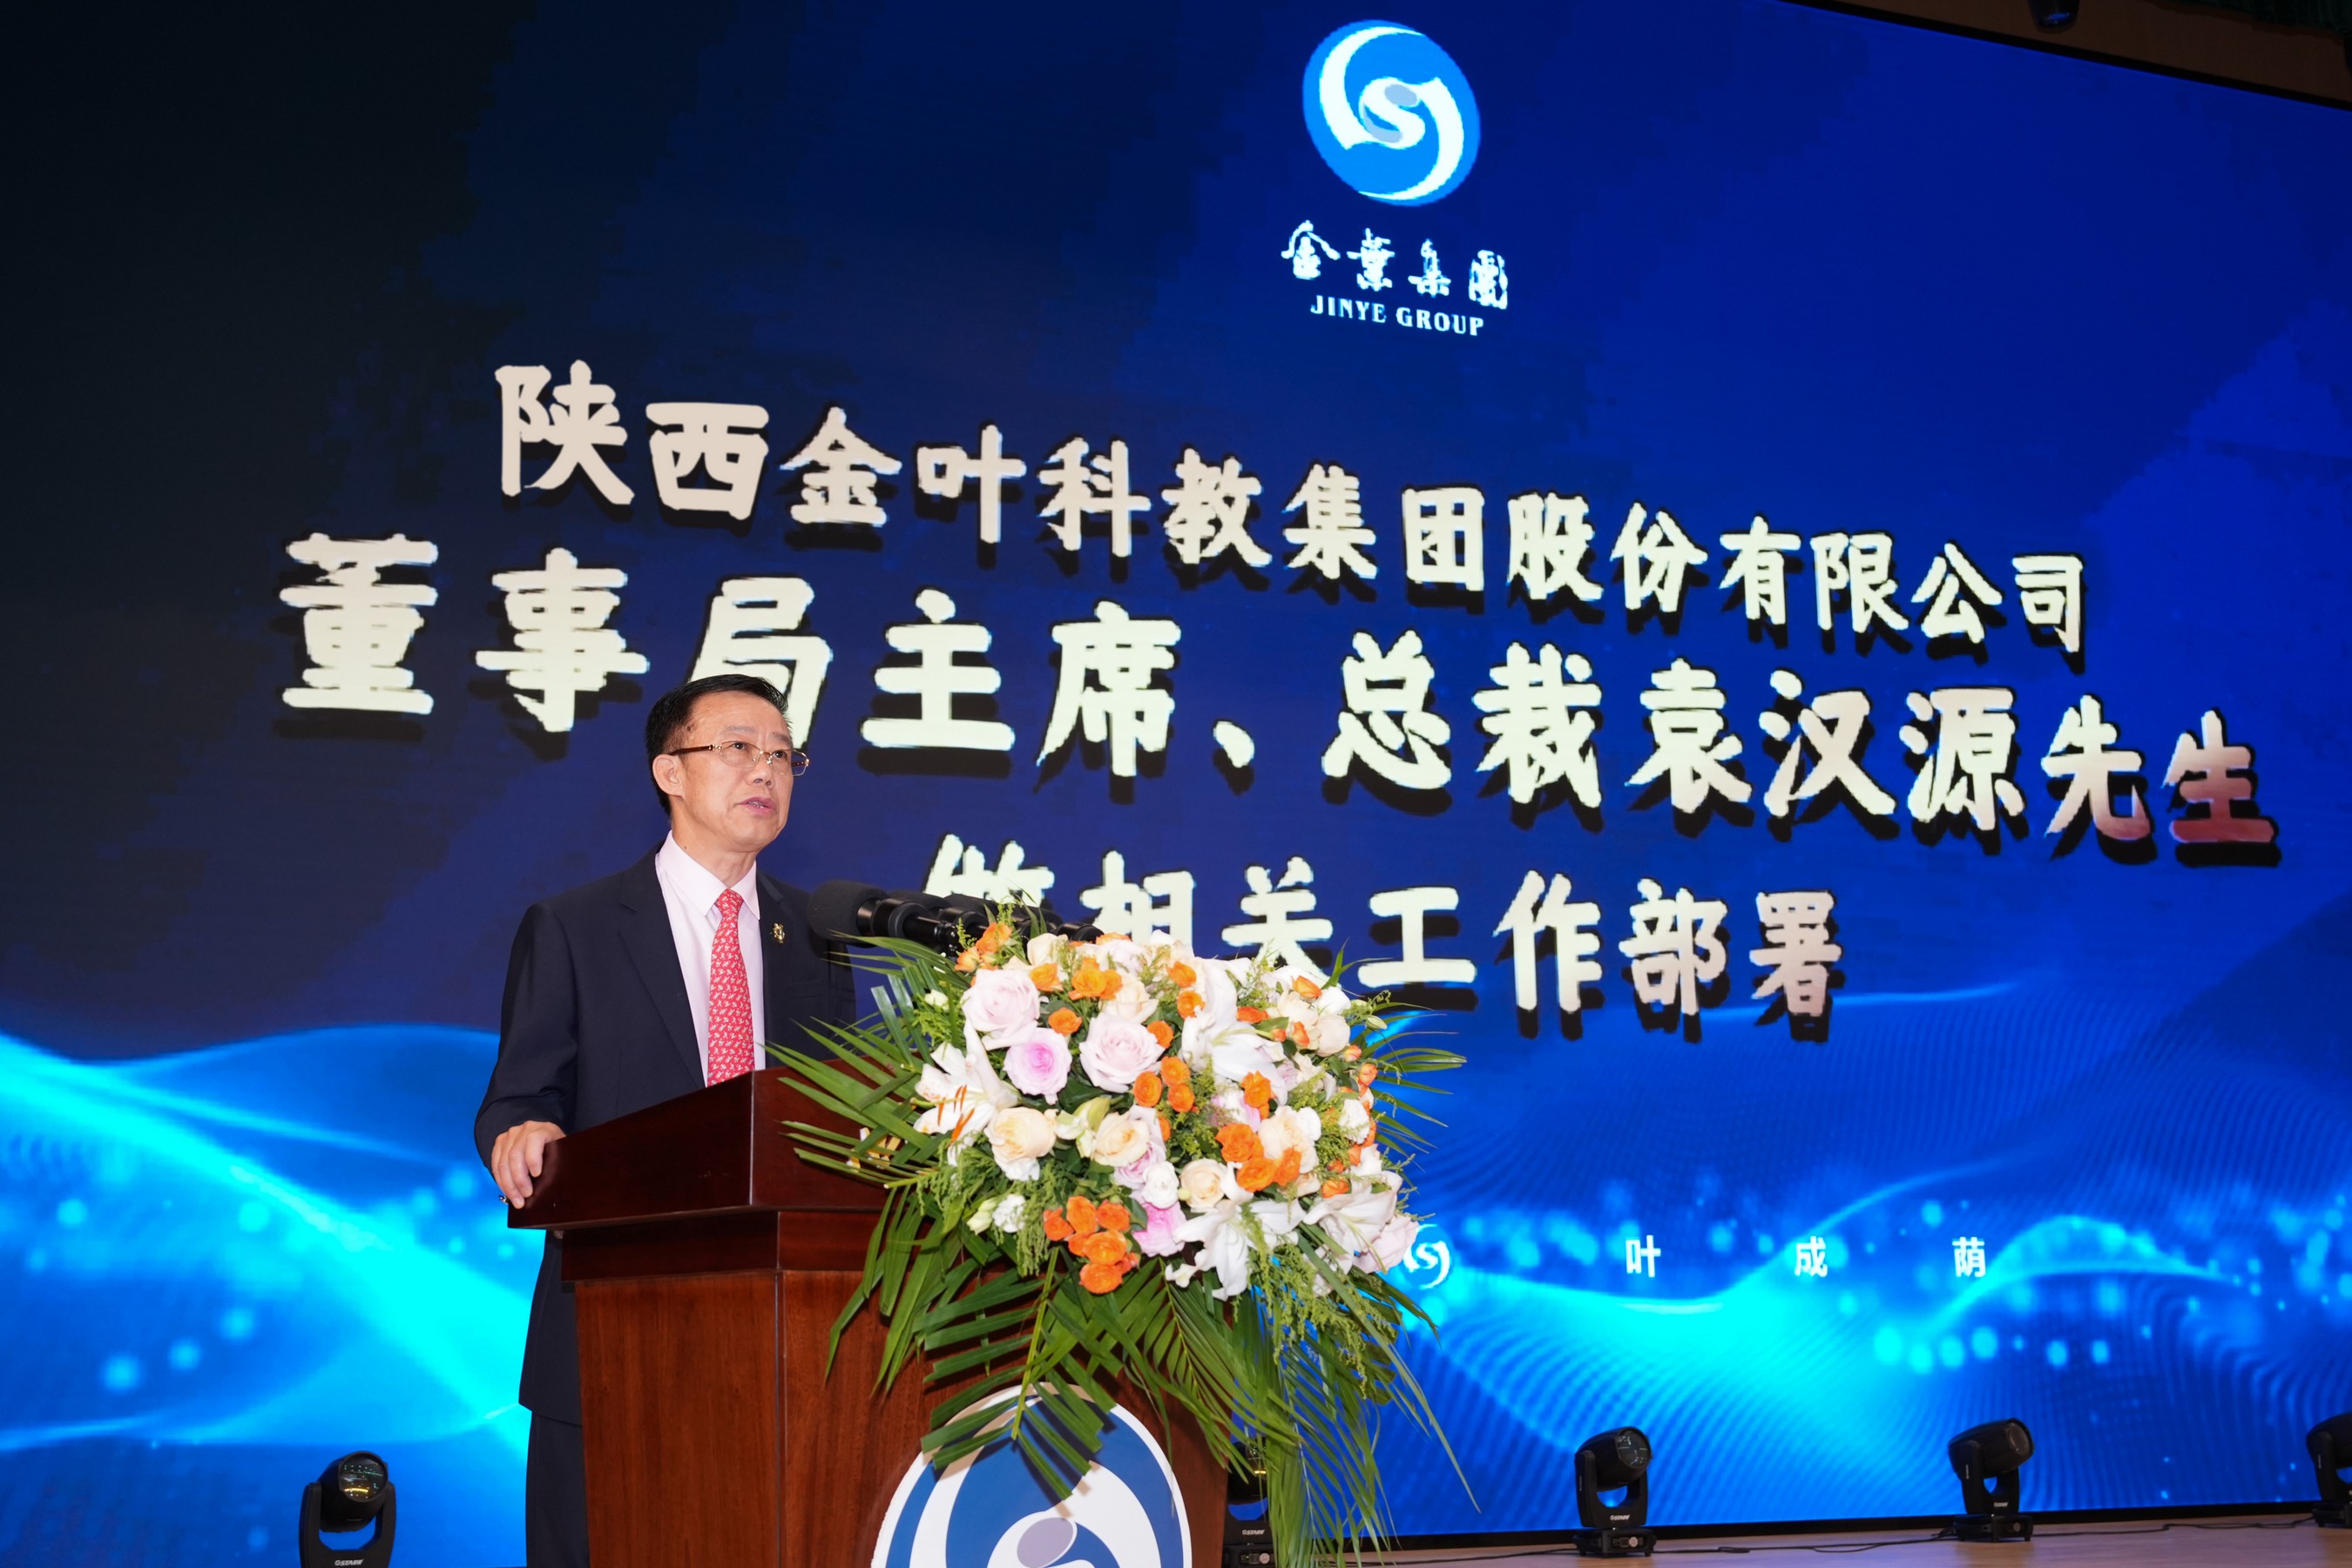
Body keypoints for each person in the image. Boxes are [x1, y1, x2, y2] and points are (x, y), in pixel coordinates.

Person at [474, 672, 857, 1568]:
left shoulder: (815, 939)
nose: (765, 771)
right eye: (738, 748)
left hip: (782, 1334)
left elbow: (834, 1116)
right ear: (669, 772)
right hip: (609, 1326)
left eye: (783, 755)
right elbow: (519, 1096)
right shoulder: (574, 927)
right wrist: (521, 1134)